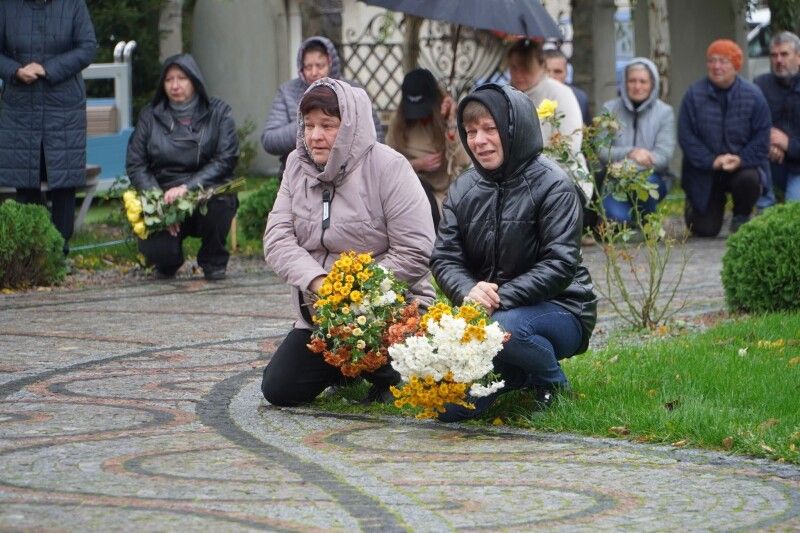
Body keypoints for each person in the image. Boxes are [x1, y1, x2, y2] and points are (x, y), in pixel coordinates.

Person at [261, 78, 435, 407]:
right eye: (309, 125)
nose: (315, 135)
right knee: (279, 389)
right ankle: (347, 368)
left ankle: (390, 371)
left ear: (350, 126)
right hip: (320, 313)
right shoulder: (295, 167)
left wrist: (353, 291)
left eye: (327, 125)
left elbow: (416, 251)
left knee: (393, 371)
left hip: (386, 309)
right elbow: (277, 237)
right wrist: (320, 282)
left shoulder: (389, 167)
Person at [430, 84, 597, 422]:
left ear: (514, 129)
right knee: (449, 408)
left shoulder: (554, 184)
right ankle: (519, 374)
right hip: (488, 312)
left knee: (504, 330)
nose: (479, 140)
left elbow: (560, 263)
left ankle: (552, 383)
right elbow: (444, 257)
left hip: (561, 308)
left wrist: (498, 298)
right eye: (471, 131)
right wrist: (467, 291)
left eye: (490, 129)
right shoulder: (463, 187)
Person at [126, 54, 240, 281]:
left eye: (182, 78)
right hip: (163, 191)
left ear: (194, 80)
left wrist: (189, 187)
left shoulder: (219, 112)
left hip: (206, 189)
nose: (175, 85)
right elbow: (136, 163)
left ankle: (213, 259)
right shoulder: (149, 116)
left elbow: (226, 158)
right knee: (160, 254)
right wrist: (158, 202)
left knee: (220, 204)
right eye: (169, 80)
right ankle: (168, 260)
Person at [0, 0, 96, 255]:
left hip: (63, 109)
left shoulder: (73, 4)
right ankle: (33, 254)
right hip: (20, 109)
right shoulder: (6, 6)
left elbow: (87, 48)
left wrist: (46, 68)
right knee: (26, 180)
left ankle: (61, 252)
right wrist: (15, 70)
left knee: (64, 183)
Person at [678, 39, 771, 237]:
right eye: (712, 60)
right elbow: (686, 136)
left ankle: (741, 215)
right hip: (704, 170)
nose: (716, 66)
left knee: (749, 178)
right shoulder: (693, 95)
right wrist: (712, 161)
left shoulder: (754, 96)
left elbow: (762, 137)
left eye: (723, 61)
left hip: (740, 168)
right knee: (704, 230)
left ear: (736, 65)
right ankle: (696, 204)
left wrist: (741, 159)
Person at [261, 36, 384, 179]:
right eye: (308, 67)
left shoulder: (353, 91)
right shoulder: (287, 92)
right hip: (298, 177)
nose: (314, 72)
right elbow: (269, 140)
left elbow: (375, 136)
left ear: (331, 64)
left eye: (320, 65)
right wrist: (307, 124)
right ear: (301, 68)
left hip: (349, 176)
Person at [386, 68, 471, 228]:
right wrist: (417, 164)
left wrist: (451, 122)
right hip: (406, 191)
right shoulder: (398, 123)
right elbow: (387, 167)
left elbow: (463, 161)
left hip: (440, 194)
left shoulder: (447, 118)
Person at [598, 57, 675, 223]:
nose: (637, 86)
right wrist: (632, 152)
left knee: (645, 186)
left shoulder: (664, 113)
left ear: (652, 84)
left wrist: (626, 167)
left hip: (652, 179)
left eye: (643, 81)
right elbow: (602, 151)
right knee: (617, 220)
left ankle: (647, 219)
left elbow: (663, 157)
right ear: (624, 83)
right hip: (614, 180)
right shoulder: (609, 109)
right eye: (632, 80)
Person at [506, 39, 586, 172]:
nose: (519, 74)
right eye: (514, 67)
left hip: (560, 176)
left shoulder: (560, 93)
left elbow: (569, 146)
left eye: (526, 67)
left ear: (542, 66)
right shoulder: (505, 94)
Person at [754, 31, 800, 204]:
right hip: (769, 161)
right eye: (774, 55)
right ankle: (762, 209)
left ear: (798, 57)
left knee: (793, 215)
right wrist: (770, 142)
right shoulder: (760, 85)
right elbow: (747, 126)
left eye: (784, 54)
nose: (778, 60)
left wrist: (788, 144)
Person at [544, 48, 590, 125]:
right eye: (546, 71)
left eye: (557, 72)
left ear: (566, 73)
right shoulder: (529, 97)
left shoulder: (579, 98)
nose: (551, 76)